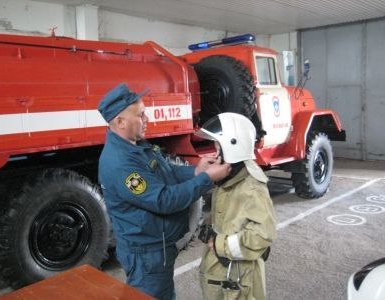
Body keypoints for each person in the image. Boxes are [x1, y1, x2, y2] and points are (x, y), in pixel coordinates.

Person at [97, 83, 231, 300]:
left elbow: (165, 172)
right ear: (120, 122)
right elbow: (162, 199)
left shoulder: (135, 145)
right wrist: (207, 179)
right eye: (140, 115)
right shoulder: (121, 163)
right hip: (146, 255)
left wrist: (196, 171)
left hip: (155, 248)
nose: (146, 119)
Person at [196, 112, 277, 300]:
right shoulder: (230, 177)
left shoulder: (251, 187)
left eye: (217, 146)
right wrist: (209, 227)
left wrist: (219, 243)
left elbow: (263, 234)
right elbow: (230, 215)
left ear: (232, 146)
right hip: (222, 276)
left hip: (237, 283)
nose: (214, 153)